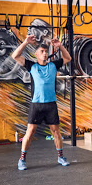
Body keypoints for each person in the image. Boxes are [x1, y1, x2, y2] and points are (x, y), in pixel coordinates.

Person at [11, 35, 72, 170]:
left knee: (56, 132)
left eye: (46, 51)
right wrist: (26, 42)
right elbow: (15, 55)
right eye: (42, 52)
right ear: (36, 54)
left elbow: (68, 58)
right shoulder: (31, 65)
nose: (45, 54)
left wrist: (60, 46)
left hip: (51, 104)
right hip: (36, 104)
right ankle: (22, 159)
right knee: (30, 131)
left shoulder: (53, 65)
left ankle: (61, 156)